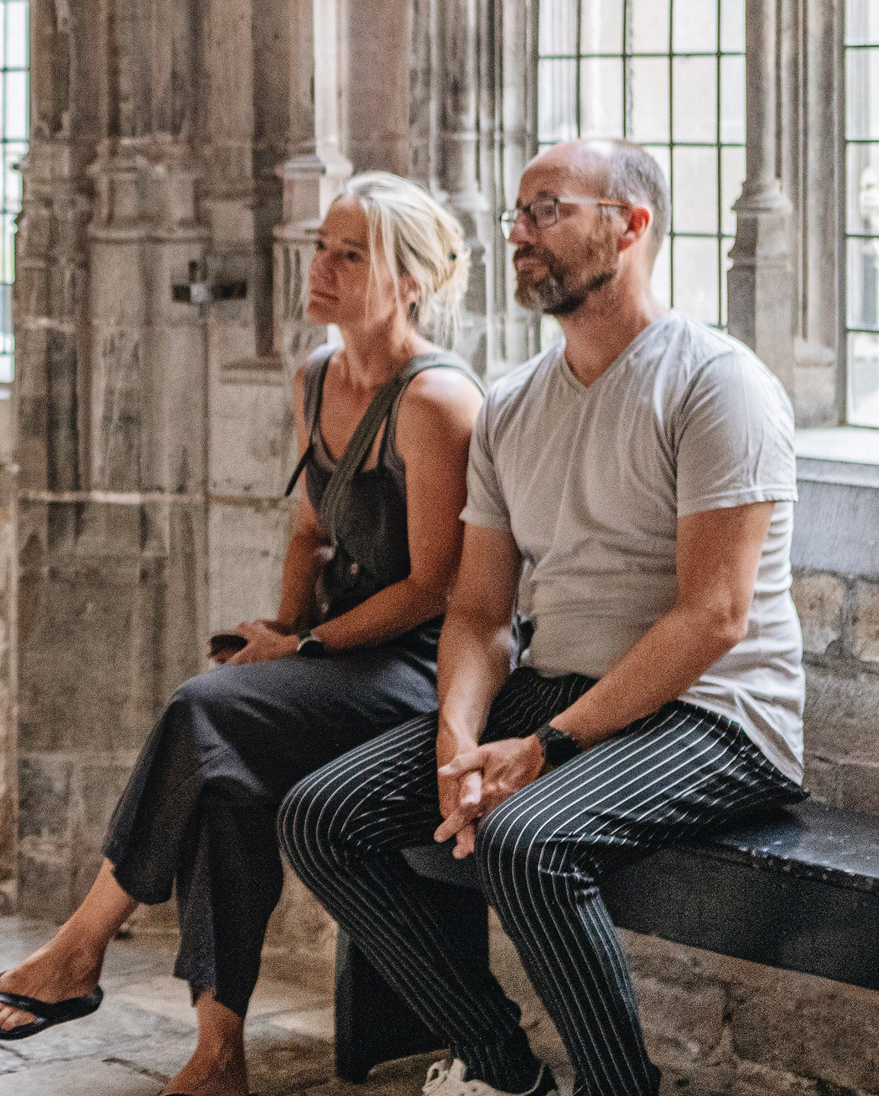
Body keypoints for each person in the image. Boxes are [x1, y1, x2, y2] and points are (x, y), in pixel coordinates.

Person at [279, 139, 804, 1096]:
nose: (521, 234)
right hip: (560, 693)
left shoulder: (715, 383)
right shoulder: (514, 405)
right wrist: (458, 735)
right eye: (518, 215)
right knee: (322, 815)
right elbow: (478, 612)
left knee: (528, 839)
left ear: (630, 226)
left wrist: (544, 749)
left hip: (716, 716)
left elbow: (715, 618)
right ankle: (503, 1068)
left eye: (548, 210)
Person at [0, 173, 483, 1096]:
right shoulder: (317, 377)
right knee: (224, 777)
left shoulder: (436, 402)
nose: (318, 267)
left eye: (349, 255)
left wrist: (301, 653)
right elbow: (311, 533)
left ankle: (81, 948)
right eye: (322, 246)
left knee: (205, 713)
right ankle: (218, 1052)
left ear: (408, 283)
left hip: (420, 671)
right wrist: (280, 628)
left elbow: (436, 590)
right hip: (335, 654)